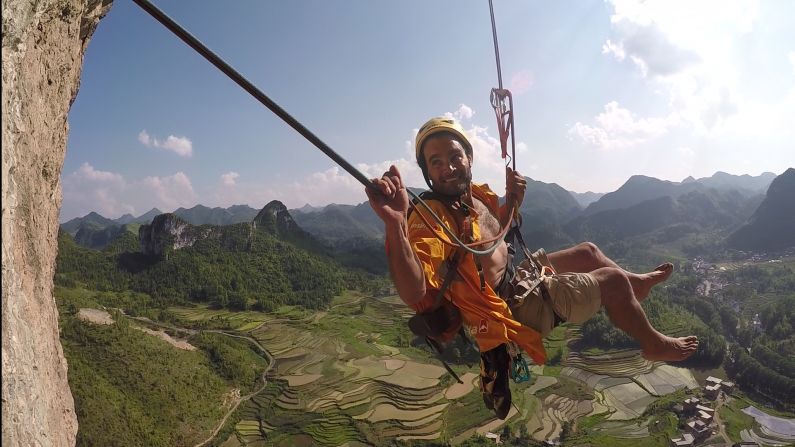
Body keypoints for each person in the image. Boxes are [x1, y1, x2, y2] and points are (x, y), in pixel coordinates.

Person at [366, 117, 698, 417]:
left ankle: (635, 286)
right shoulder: (431, 216)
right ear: (426, 171)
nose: (448, 167)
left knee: (588, 251)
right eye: (435, 162)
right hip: (507, 310)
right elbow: (415, 291)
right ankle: (652, 342)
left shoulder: (478, 196)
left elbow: (498, 234)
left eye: (454, 156)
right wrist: (396, 224)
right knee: (611, 281)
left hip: (515, 276)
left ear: (469, 157)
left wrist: (512, 202)